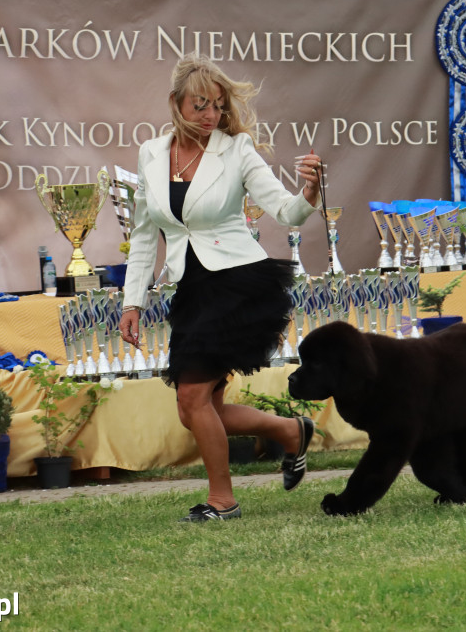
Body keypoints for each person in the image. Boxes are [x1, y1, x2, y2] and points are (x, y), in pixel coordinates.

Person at [119, 54, 323, 523]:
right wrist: (133, 301)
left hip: (237, 285)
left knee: (192, 398)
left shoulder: (237, 149)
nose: (210, 115)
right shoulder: (151, 153)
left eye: (216, 106)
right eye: (199, 106)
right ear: (175, 104)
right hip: (190, 288)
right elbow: (146, 235)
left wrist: (309, 192)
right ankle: (291, 433)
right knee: (197, 410)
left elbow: (287, 212)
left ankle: (222, 498)